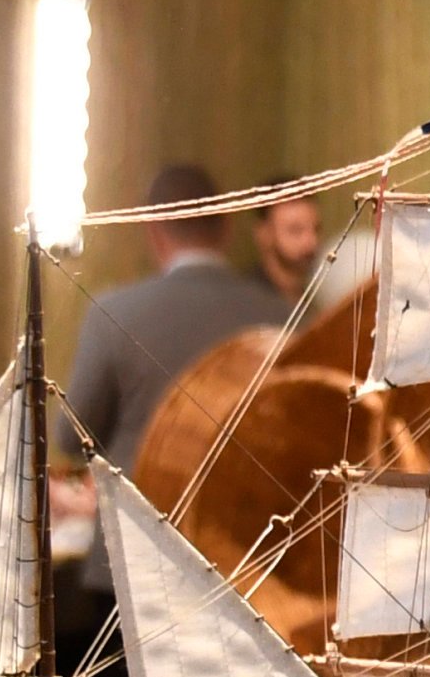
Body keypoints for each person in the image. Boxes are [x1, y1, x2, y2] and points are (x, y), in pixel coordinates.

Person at [61, 165, 290, 476]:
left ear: (153, 231)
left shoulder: (112, 313)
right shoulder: (282, 316)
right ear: (226, 227)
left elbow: (72, 436)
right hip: (249, 518)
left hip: (135, 516)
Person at [251, 188, 326, 308]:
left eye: (316, 229)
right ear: (264, 233)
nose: (311, 242)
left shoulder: (317, 300)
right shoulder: (248, 300)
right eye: (296, 230)